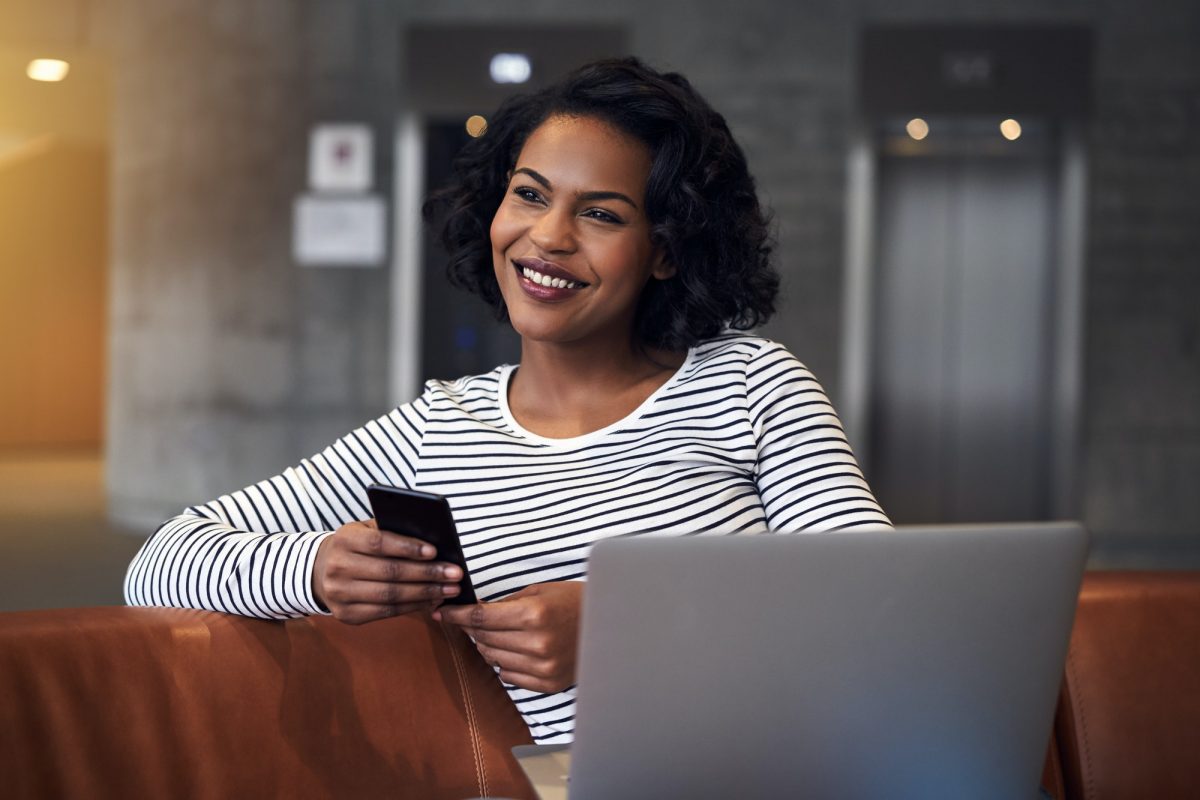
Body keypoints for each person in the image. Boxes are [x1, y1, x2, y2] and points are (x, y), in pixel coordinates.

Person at [124, 57, 890, 744]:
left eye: (601, 213)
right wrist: (316, 565)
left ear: (663, 251)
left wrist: (625, 621)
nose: (547, 237)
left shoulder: (749, 383)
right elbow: (159, 562)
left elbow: (876, 598)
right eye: (529, 195)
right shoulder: (436, 429)